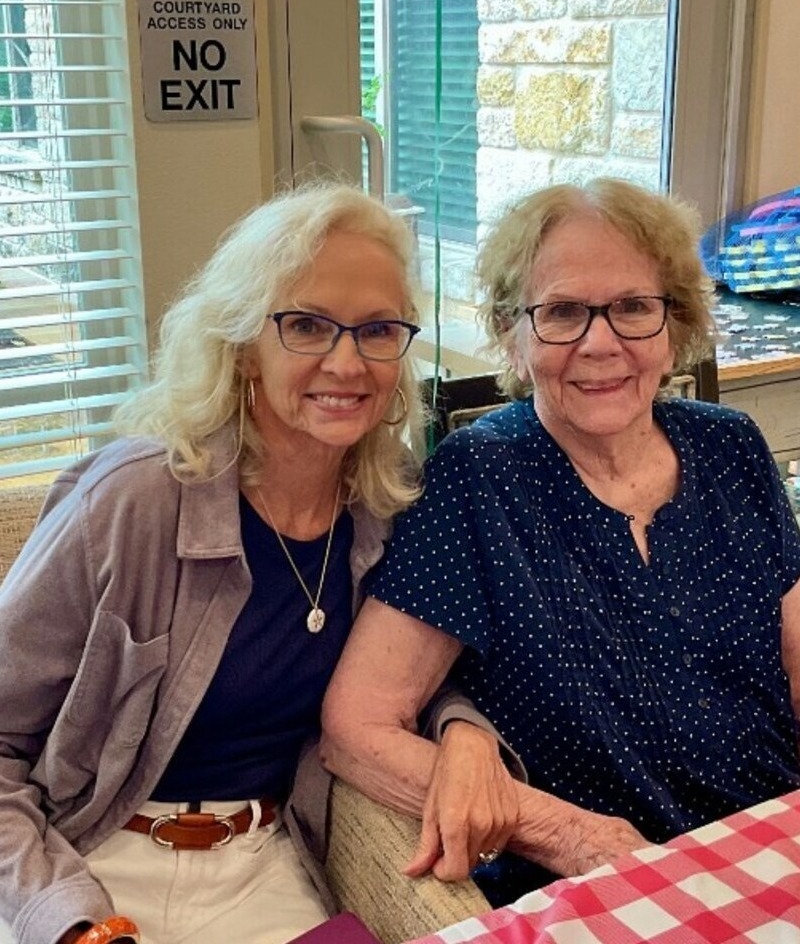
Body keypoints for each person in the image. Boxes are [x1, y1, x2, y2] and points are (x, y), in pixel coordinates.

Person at [320, 177, 800, 907]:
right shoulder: (480, 479)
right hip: (602, 886)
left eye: (634, 307)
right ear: (514, 336)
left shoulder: (730, 446)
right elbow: (356, 726)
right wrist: (566, 833)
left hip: (765, 846)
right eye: (564, 312)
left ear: (677, 324)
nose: (600, 342)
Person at [0, 183, 434, 944]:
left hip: (264, 865)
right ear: (241, 349)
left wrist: (460, 728)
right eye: (305, 325)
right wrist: (62, 921)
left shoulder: (387, 512)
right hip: (85, 856)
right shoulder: (129, 500)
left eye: (376, 330)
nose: (347, 361)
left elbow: (422, 675)